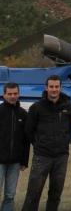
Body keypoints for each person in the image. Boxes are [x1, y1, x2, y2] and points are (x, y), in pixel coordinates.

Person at [22, 75, 71, 211]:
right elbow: (29, 130)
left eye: (57, 87)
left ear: (60, 87)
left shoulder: (68, 107)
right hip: (42, 156)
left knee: (56, 194)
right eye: (51, 87)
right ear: (46, 88)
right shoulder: (36, 107)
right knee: (33, 193)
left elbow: (69, 128)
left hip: (61, 157)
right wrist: (39, 144)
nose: (54, 89)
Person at [0, 82, 30, 211]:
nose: (13, 96)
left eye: (15, 93)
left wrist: (24, 161)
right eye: (9, 94)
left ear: (19, 94)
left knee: (10, 194)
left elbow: (26, 140)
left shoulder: (23, 114)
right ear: (4, 94)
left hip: (15, 162)